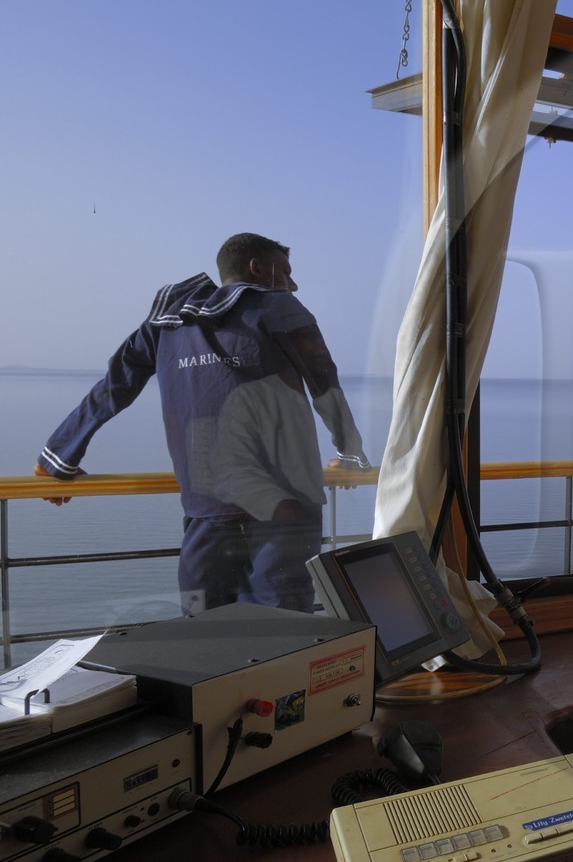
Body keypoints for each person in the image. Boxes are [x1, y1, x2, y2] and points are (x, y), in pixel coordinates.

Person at [34, 233, 370, 615]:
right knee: (283, 627)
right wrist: (349, 453)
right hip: (285, 508)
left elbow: (115, 385)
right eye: (286, 273)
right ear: (257, 268)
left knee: (205, 630)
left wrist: (59, 455)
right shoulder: (279, 307)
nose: (293, 284)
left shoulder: (166, 322)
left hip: (206, 506)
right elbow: (323, 379)